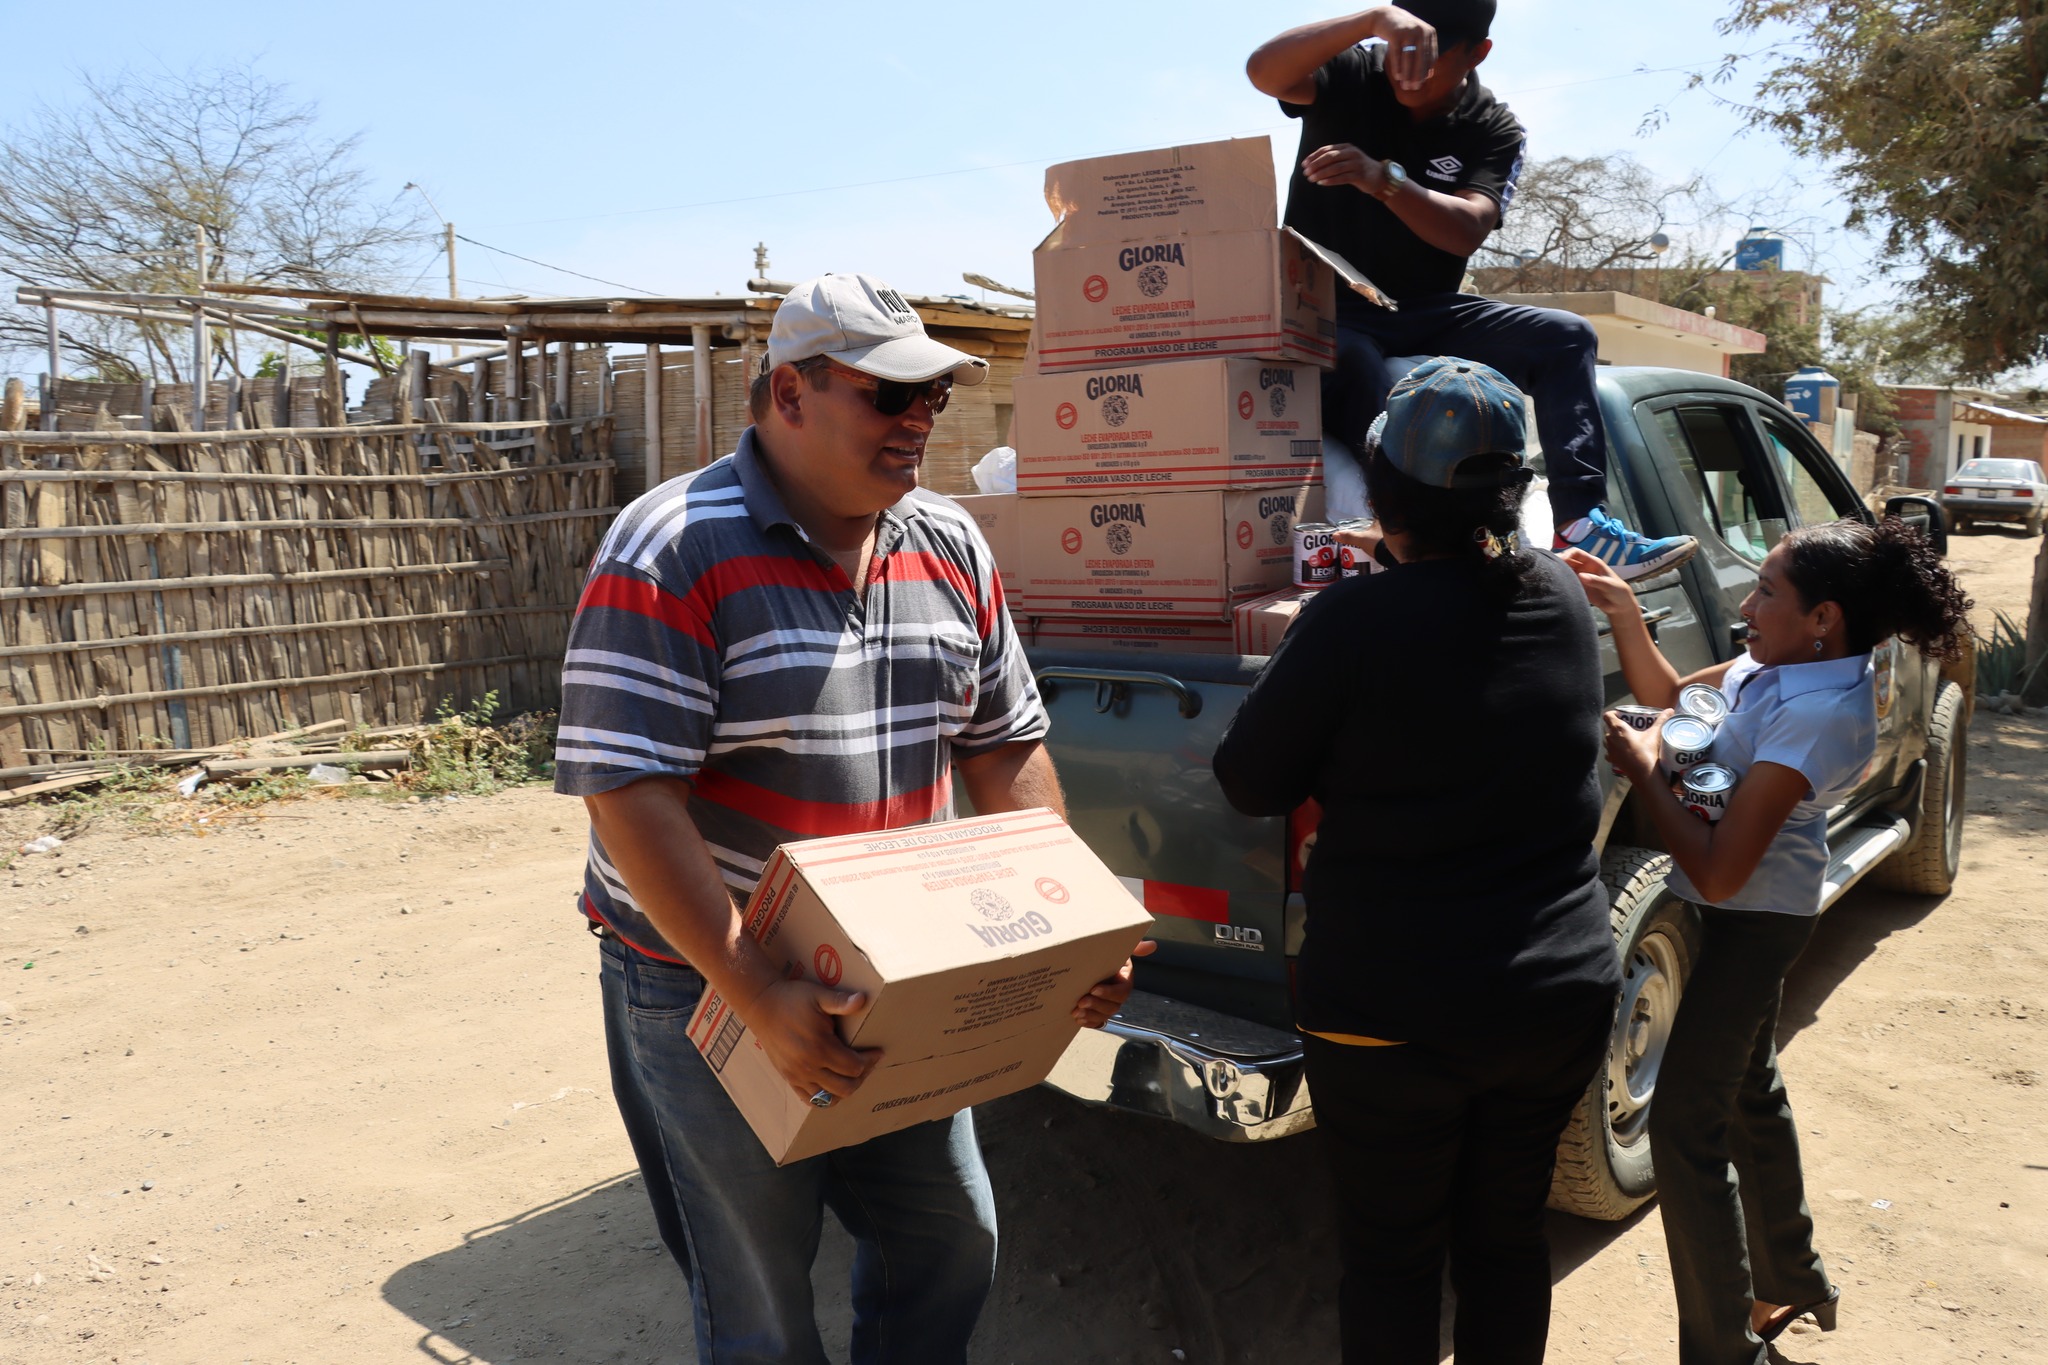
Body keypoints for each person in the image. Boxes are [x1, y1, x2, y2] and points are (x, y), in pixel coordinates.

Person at [552, 272, 1143, 1365]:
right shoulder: (671, 548)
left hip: (899, 972)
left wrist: (1063, 934)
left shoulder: (950, 544)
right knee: (760, 1299)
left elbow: (1006, 750)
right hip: (708, 980)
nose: (919, 420)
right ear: (787, 394)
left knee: (950, 1242)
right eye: (888, 396)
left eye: (930, 398)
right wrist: (757, 990)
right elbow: (628, 796)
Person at [1213, 357, 1623, 1364]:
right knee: (1504, 1241)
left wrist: (1349, 609)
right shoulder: (1564, 602)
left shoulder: (1350, 621)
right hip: (1555, 992)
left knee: (1392, 1260)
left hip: (1390, 1011)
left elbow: (1249, 780)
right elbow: (1461, 620)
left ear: (1384, 492)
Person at [1565, 520, 1970, 1364]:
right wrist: (1626, 611)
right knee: (1749, 1083)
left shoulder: (1821, 714)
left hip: (1756, 923)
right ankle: (1791, 1273)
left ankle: (1724, 1348)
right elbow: (1678, 699)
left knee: (1685, 1122)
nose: (1746, 604)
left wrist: (1643, 769)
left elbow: (1716, 874)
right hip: (1736, 907)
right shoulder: (1773, 664)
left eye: (1766, 593)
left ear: (1823, 616)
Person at [1246, 1, 1699, 580]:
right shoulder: (1355, 72)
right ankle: (1428, 543)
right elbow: (1264, 70)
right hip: (1330, 310)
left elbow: (1464, 229)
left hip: (1427, 310)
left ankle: (1583, 525)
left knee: (1565, 335)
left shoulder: (1493, 126)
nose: (1407, 73)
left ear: (1477, 54)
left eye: (1429, 63)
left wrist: (1381, 178)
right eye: (1398, 56)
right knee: (1355, 366)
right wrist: (1371, 22)